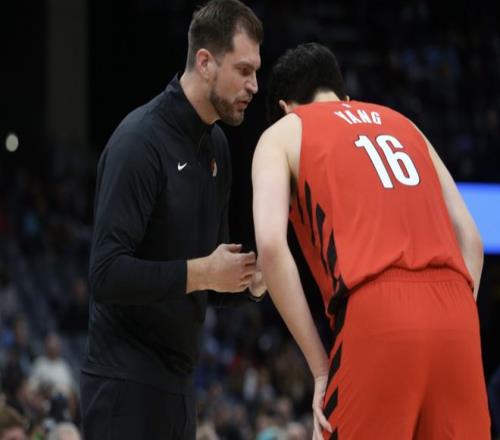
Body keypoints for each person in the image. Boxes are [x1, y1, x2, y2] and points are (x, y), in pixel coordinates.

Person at [252, 42, 490, 439]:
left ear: (284, 107)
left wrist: (320, 369)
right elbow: (472, 240)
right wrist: (452, 319)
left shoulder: (284, 132)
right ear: (344, 97)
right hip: (457, 313)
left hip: (378, 313)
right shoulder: (405, 124)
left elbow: (272, 247)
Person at [80, 1, 265, 439]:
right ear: (205, 62)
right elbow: (106, 274)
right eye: (243, 70)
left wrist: (254, 281)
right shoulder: (139, 141)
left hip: (180, 387)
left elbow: (206, 280)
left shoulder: (217, 146)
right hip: (124, 384)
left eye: (256, 72)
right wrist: (205, 272)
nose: (254, 86)